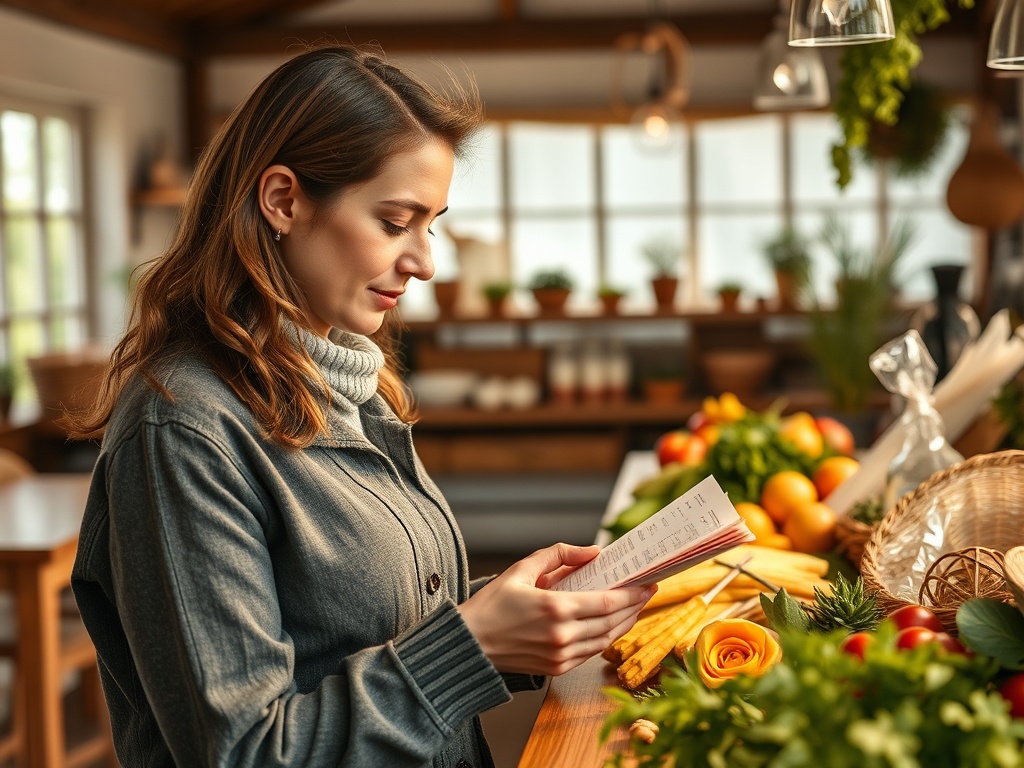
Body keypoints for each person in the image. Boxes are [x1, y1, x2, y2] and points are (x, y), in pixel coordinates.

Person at [68, 43, 654, 767]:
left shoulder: (349, 385)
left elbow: (348, 635)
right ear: (283, 200)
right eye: (394, 221)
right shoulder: (184, 430)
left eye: (431, 224)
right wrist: (472, 641)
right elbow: (246, 752)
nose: (425, 262)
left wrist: (515, 617)